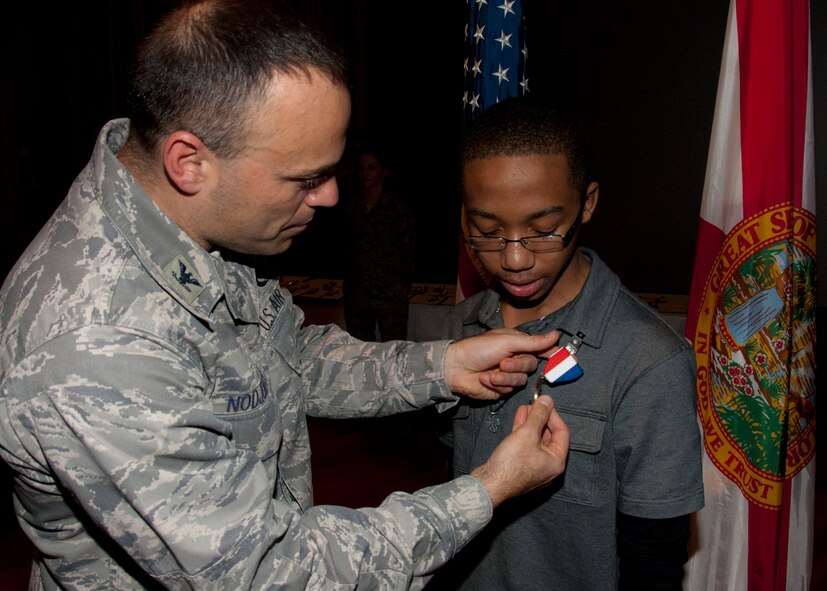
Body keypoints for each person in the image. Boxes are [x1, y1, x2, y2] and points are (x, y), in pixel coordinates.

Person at [0, 2, 571, 589]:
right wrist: (487, 490)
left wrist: (440, 366)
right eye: (305, 178)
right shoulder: (98, 343)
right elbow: (271, 573)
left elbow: (287, 358)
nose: (327, 197)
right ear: (189, 162)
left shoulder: (199, 227)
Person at [427, 97, 704, 590]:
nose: (513, 258)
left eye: (543, 230)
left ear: (588, 203)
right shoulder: (460, 330)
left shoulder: (649, 361)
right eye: (487, 231)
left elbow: (655, 556)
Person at [341, 141, 416, 342]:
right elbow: (345, 249)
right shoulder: (351, 207)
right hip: (357, 295)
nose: (366, 173)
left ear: (384, 172)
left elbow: (408, 252)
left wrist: (400, 288)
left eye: (372, 168)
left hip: (390, 296)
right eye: (362, 168)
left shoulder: (397, 208)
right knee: (360, 349)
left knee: (394, 351)